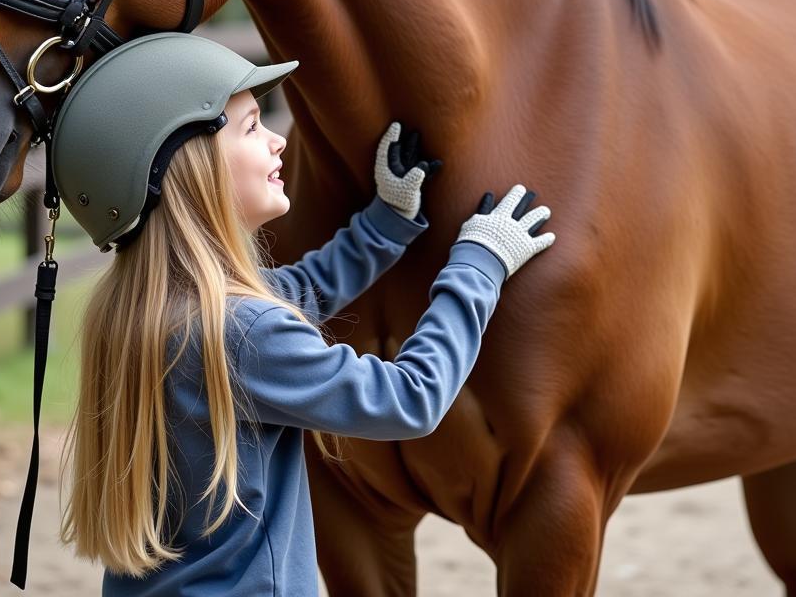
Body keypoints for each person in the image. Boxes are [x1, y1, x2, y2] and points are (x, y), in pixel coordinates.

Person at [46, 31, 556, 596]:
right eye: (252, 127)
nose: (277, 141)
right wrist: (477, 266)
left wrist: (383, 226)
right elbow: (410, 400)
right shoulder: (240, 331)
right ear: (191, 170)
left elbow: (295, 289)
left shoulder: (137, 310)